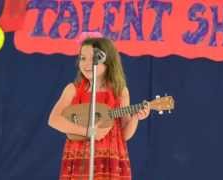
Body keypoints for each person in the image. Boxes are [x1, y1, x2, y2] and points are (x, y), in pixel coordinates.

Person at [48, 36, 151, 179]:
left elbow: (125, 135)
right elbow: (53, 120)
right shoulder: (73, 89)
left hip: (110, 158)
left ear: (108, 61)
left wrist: (135, 117)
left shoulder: (120, 91)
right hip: (80, 157)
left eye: (94, 58)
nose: (86, 64)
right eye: (83, 58)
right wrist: (88, 132)